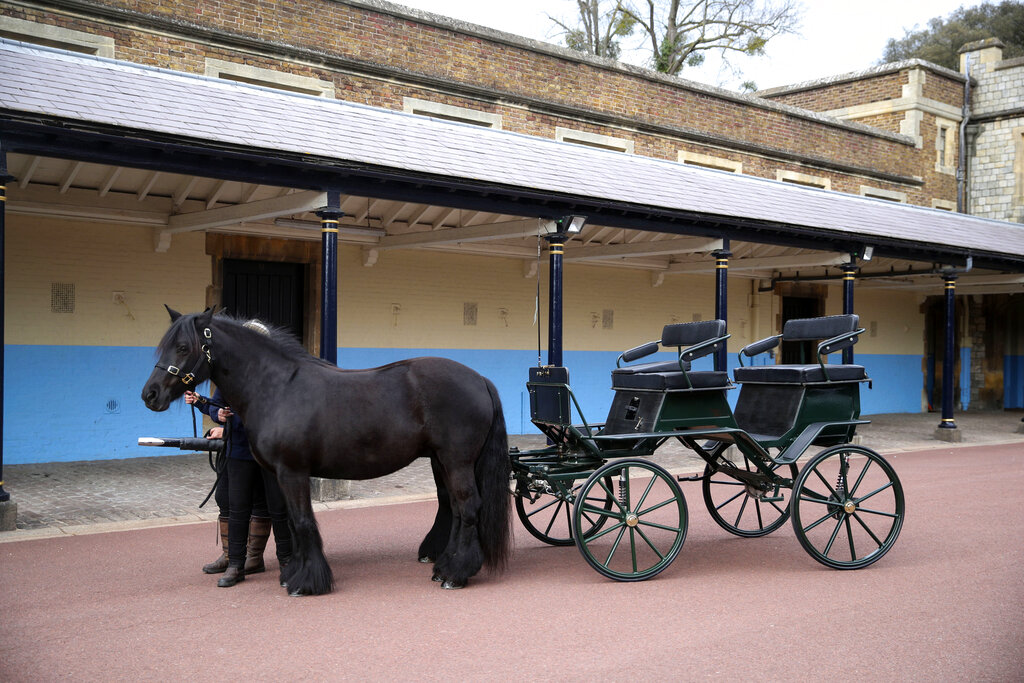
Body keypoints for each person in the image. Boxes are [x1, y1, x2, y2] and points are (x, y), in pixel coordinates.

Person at [185, 388, 292, 587]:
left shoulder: (273, 373)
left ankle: (286, 563)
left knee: (278, 508)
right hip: (240, 452)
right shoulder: (229, 376)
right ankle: (235, 564)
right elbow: (217, 407)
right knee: (237, 508)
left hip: (272, 452)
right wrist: (217, 413)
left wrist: (228, 429)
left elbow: (279, 413)